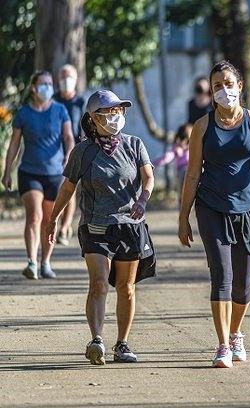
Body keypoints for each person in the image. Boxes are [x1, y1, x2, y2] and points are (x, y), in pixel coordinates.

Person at [178, 60, 250, 368]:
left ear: (240, 87)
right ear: (211, 93)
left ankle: (236, 332)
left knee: (243, 284)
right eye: (217, 86)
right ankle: (223, 344)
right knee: (221, 277)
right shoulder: (202, 127)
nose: (223, 90)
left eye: (228, 84)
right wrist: (183, 216)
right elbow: (193, 173)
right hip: (212, 207)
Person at [45, 89, 156, 366]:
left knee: (126, 287)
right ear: (92, 119)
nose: (114, 116)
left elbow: (148, 177)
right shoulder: (83, 151)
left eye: (118, 111)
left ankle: (122, 343)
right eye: (107, 112)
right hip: (96, 227)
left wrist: (143, 200)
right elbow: (68, 187)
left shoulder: (134, 144)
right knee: (98, 283)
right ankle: (96, 340)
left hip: (130, 226)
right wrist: (54, 218)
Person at [2, 70, 74, 280]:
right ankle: (32, 262)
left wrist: (69, 154)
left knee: (49, 221)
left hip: (55, 174)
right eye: (43, 83)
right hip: (29, 172)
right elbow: (14, 145)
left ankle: (46, 262)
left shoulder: (60, 110)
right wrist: (7, 171)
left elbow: (69, 137)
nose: (47, 87)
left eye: (50, 83)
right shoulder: (23, 113)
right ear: (33, 87)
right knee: (35, 215)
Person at [54, 64, 86, 246]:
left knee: (70, 188)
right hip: (54, 151)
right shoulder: (53, 100)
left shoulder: (80, 103)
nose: (66, 80)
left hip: (75, 151)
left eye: (70, 76)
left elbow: (85, 128)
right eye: (63, 76)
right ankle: (55, 222)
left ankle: (65, 227)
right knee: (55, 189)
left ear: (75, 79)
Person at [152, 123, 191, 199]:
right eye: (183, 138)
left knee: (184, 194)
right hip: (183, 172)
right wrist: (153, 164)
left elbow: (167, 157)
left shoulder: (192, 147)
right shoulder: (178, 149)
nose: (184, 141)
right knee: (183, 194)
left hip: (188, 171)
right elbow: (167, 157)